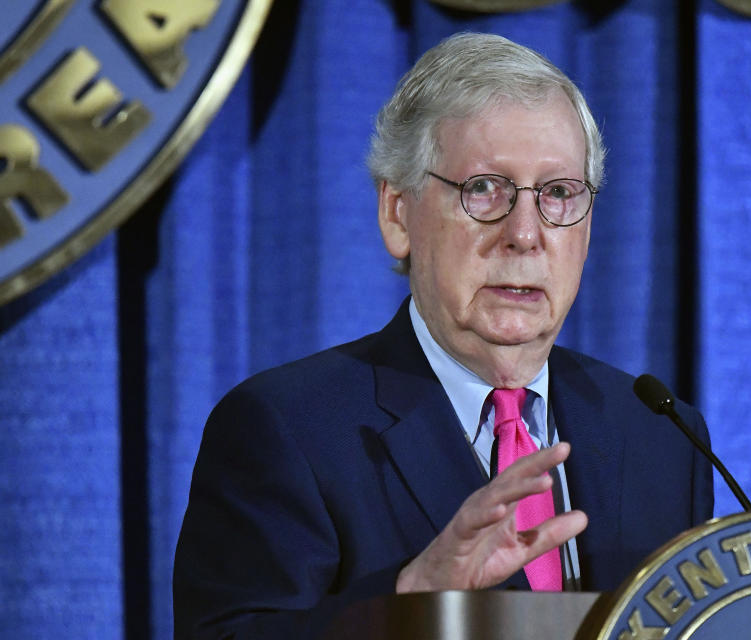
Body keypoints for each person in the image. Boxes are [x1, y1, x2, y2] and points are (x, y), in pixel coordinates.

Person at [173, 32, 714, 638]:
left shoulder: (661, 439)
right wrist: (412, 598)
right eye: (485, 189)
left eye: (559, 194)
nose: (525, 234)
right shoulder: (285, 430)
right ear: (398, 214)